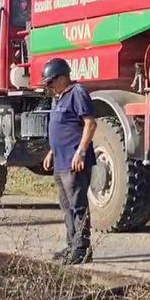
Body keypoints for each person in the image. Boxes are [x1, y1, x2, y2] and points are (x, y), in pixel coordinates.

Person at [42, 57, 98, 265]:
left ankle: (82, 248)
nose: (49, 87)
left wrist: (81, 152)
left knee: (78, 205)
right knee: (66, 207)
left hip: (75, 161)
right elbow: (60, 128)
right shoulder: (58, 98)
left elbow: (90, 124)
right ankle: (71, 245)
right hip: (60, 160)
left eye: (51, 82)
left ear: (63, 78)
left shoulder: (78, 93)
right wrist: (51, 152)